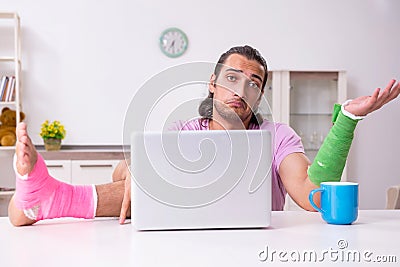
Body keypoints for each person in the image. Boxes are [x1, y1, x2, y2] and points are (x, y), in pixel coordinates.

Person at [8, 45, 400, 226]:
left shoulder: (277, 136)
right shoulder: (182, 132)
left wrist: (346, 118)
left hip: (257, 250)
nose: (241, 89)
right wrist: (135, 175)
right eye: (232, 78)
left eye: (254, 83)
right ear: (213, 84)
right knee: (145, 181)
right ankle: (47, 198)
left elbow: (312, 193)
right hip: (189, 247)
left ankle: (49, 198)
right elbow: (119, 173)